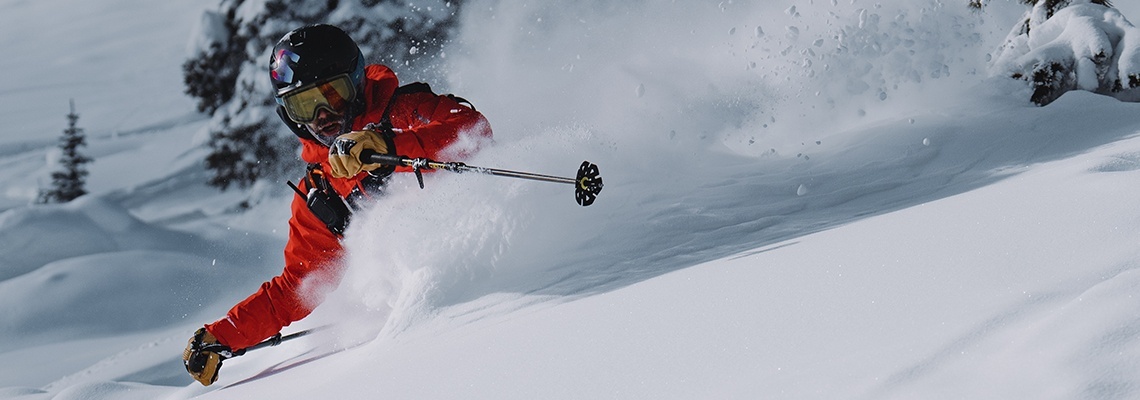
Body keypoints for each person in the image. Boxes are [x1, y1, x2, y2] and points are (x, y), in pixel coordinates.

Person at [182, 24, 492, 386]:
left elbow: (473, 130)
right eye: (304, 106)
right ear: (288, 115)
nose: (323, 115)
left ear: (357, 84)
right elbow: (297, 286)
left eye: (333, 94)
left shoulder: (404, 113)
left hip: (492, 266)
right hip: (428, 317)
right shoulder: (322, 193)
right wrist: (223, 335)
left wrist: (388, 146)